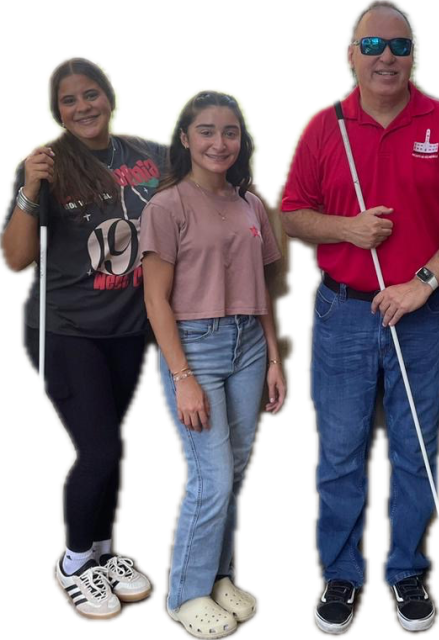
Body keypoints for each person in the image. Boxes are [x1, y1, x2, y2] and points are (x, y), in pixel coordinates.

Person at [280, 0, 439, 634]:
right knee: (341, 452)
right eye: (372, 46)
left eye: (399, 46)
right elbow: (291, 212)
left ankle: (406, 571)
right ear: (351, 56)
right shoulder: (323, 126)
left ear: (414, 56)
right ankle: (341, 575)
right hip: (343, 313)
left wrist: (422, 283)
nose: (386, 58)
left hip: (422, 318)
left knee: (415, 450)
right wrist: (348, 228)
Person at [0, 55, 168, 623]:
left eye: (90, 94)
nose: (83, 107)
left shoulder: (150, 154)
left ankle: (104, 551)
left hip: (127, 329)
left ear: (110, 95)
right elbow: (14, 260)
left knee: (112, 442)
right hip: (62, 330)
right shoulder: (45, 165)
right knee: (98, 449)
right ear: (57, 111)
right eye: (68, 100)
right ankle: (74, 564)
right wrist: (28, 188)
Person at [140, 89, 287, 639]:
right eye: (206, 131)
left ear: (240, 141)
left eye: (230, 132)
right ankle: (186, 594)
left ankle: (220, 575)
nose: (218, 142)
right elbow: (156, 300)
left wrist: (275, 358)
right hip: (194, 347)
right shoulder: (167, 205)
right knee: (211, 475)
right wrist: (183, 379)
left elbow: (262, 290)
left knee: (239, 470)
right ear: (185, 138)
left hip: (249, 343)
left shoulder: (251, 203)